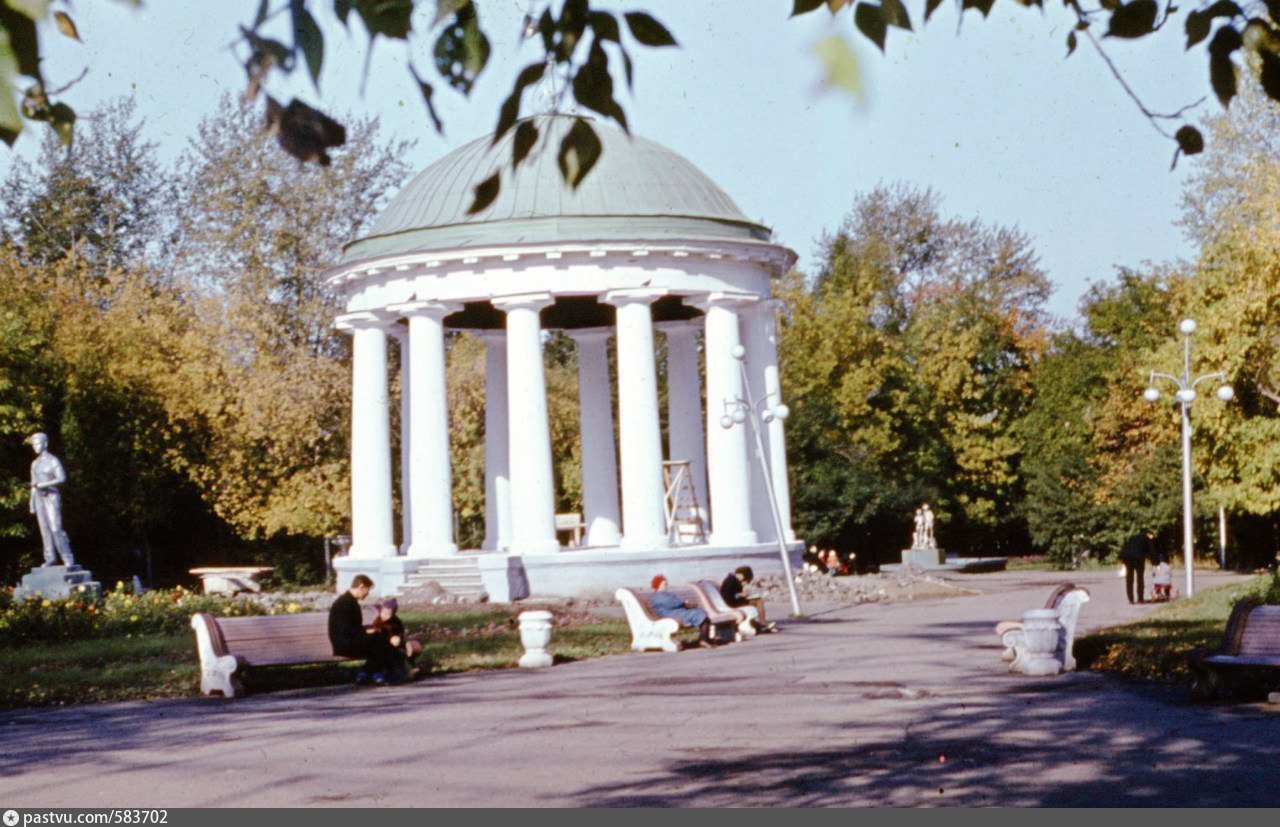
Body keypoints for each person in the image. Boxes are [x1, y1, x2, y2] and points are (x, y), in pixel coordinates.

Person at [328, 574, 398, 685]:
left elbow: (351, 627)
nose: (367, 594)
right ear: (361, 586)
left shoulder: (347, 601)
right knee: (382, 638)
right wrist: (365, 633)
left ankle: (365, 673)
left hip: (344, 643)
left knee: (380, 637)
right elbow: (346, 630)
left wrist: (365, 632)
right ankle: (375, 674)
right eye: (367, 590)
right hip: (345, 645)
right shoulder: (346, 604)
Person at [28, 432, 75, 567]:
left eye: (38, 443)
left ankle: (67, 558)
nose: (35, 447)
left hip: (52, 496)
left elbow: (62, 478)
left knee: (56, 528)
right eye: (33, 444)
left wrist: (45, 485)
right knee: (44, 529)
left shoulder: (53, 460)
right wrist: (32, 502)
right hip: (39, 498)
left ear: (45, 444)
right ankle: (50, 557)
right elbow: (33, 484)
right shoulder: (34, 464)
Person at [649, 574, 714, 648]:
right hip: (671, 615)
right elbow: (672, 603)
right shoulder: (659, 596)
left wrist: (683, 603)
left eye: (666, 584)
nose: (666, 585)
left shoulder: (662, 594)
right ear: (659, 585)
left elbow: (674, 602)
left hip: (675, 613)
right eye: (664, 584)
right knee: (701, 614)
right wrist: (684, 602)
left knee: (701, 614)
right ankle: (703, 640)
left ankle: (704, 639)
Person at [370, 598, 421, 684]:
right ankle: (386, 674)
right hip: (382, 644)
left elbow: (400, 634)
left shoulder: (396, 622)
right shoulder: (378, 620)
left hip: (394, 643)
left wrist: (397, 638)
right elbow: (375, 631)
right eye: (383, 612)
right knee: (387, 653)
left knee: (399, 653)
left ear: (393, 614)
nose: (384, 615)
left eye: (388, 614)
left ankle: (405, 671)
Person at [720, 566, 776, 633]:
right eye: (746, 579)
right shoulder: (730, 582)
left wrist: (742, 594)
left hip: (733, 602)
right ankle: (762, 624)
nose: (745, 581)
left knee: (758, 599)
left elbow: (732, 595)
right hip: (731, 604)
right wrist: (740, 595)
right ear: (742, 575)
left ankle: (761, 624)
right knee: (758, 601)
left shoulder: (732, 580)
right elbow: (728, 598)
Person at [1119, 529, 1156, 604]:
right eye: (1152, 535)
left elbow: (1125, 548)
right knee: (1140, 578)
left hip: (1127, 557)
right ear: (1148, 534)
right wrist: (1155, 563)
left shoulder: (1133, 537)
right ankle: (1140, 599)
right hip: (1138, 558)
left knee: (1129, 578)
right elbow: (1152, 552)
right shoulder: (1147, 538)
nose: (1152, 537)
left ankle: (1131, 599)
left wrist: (1123, 560)